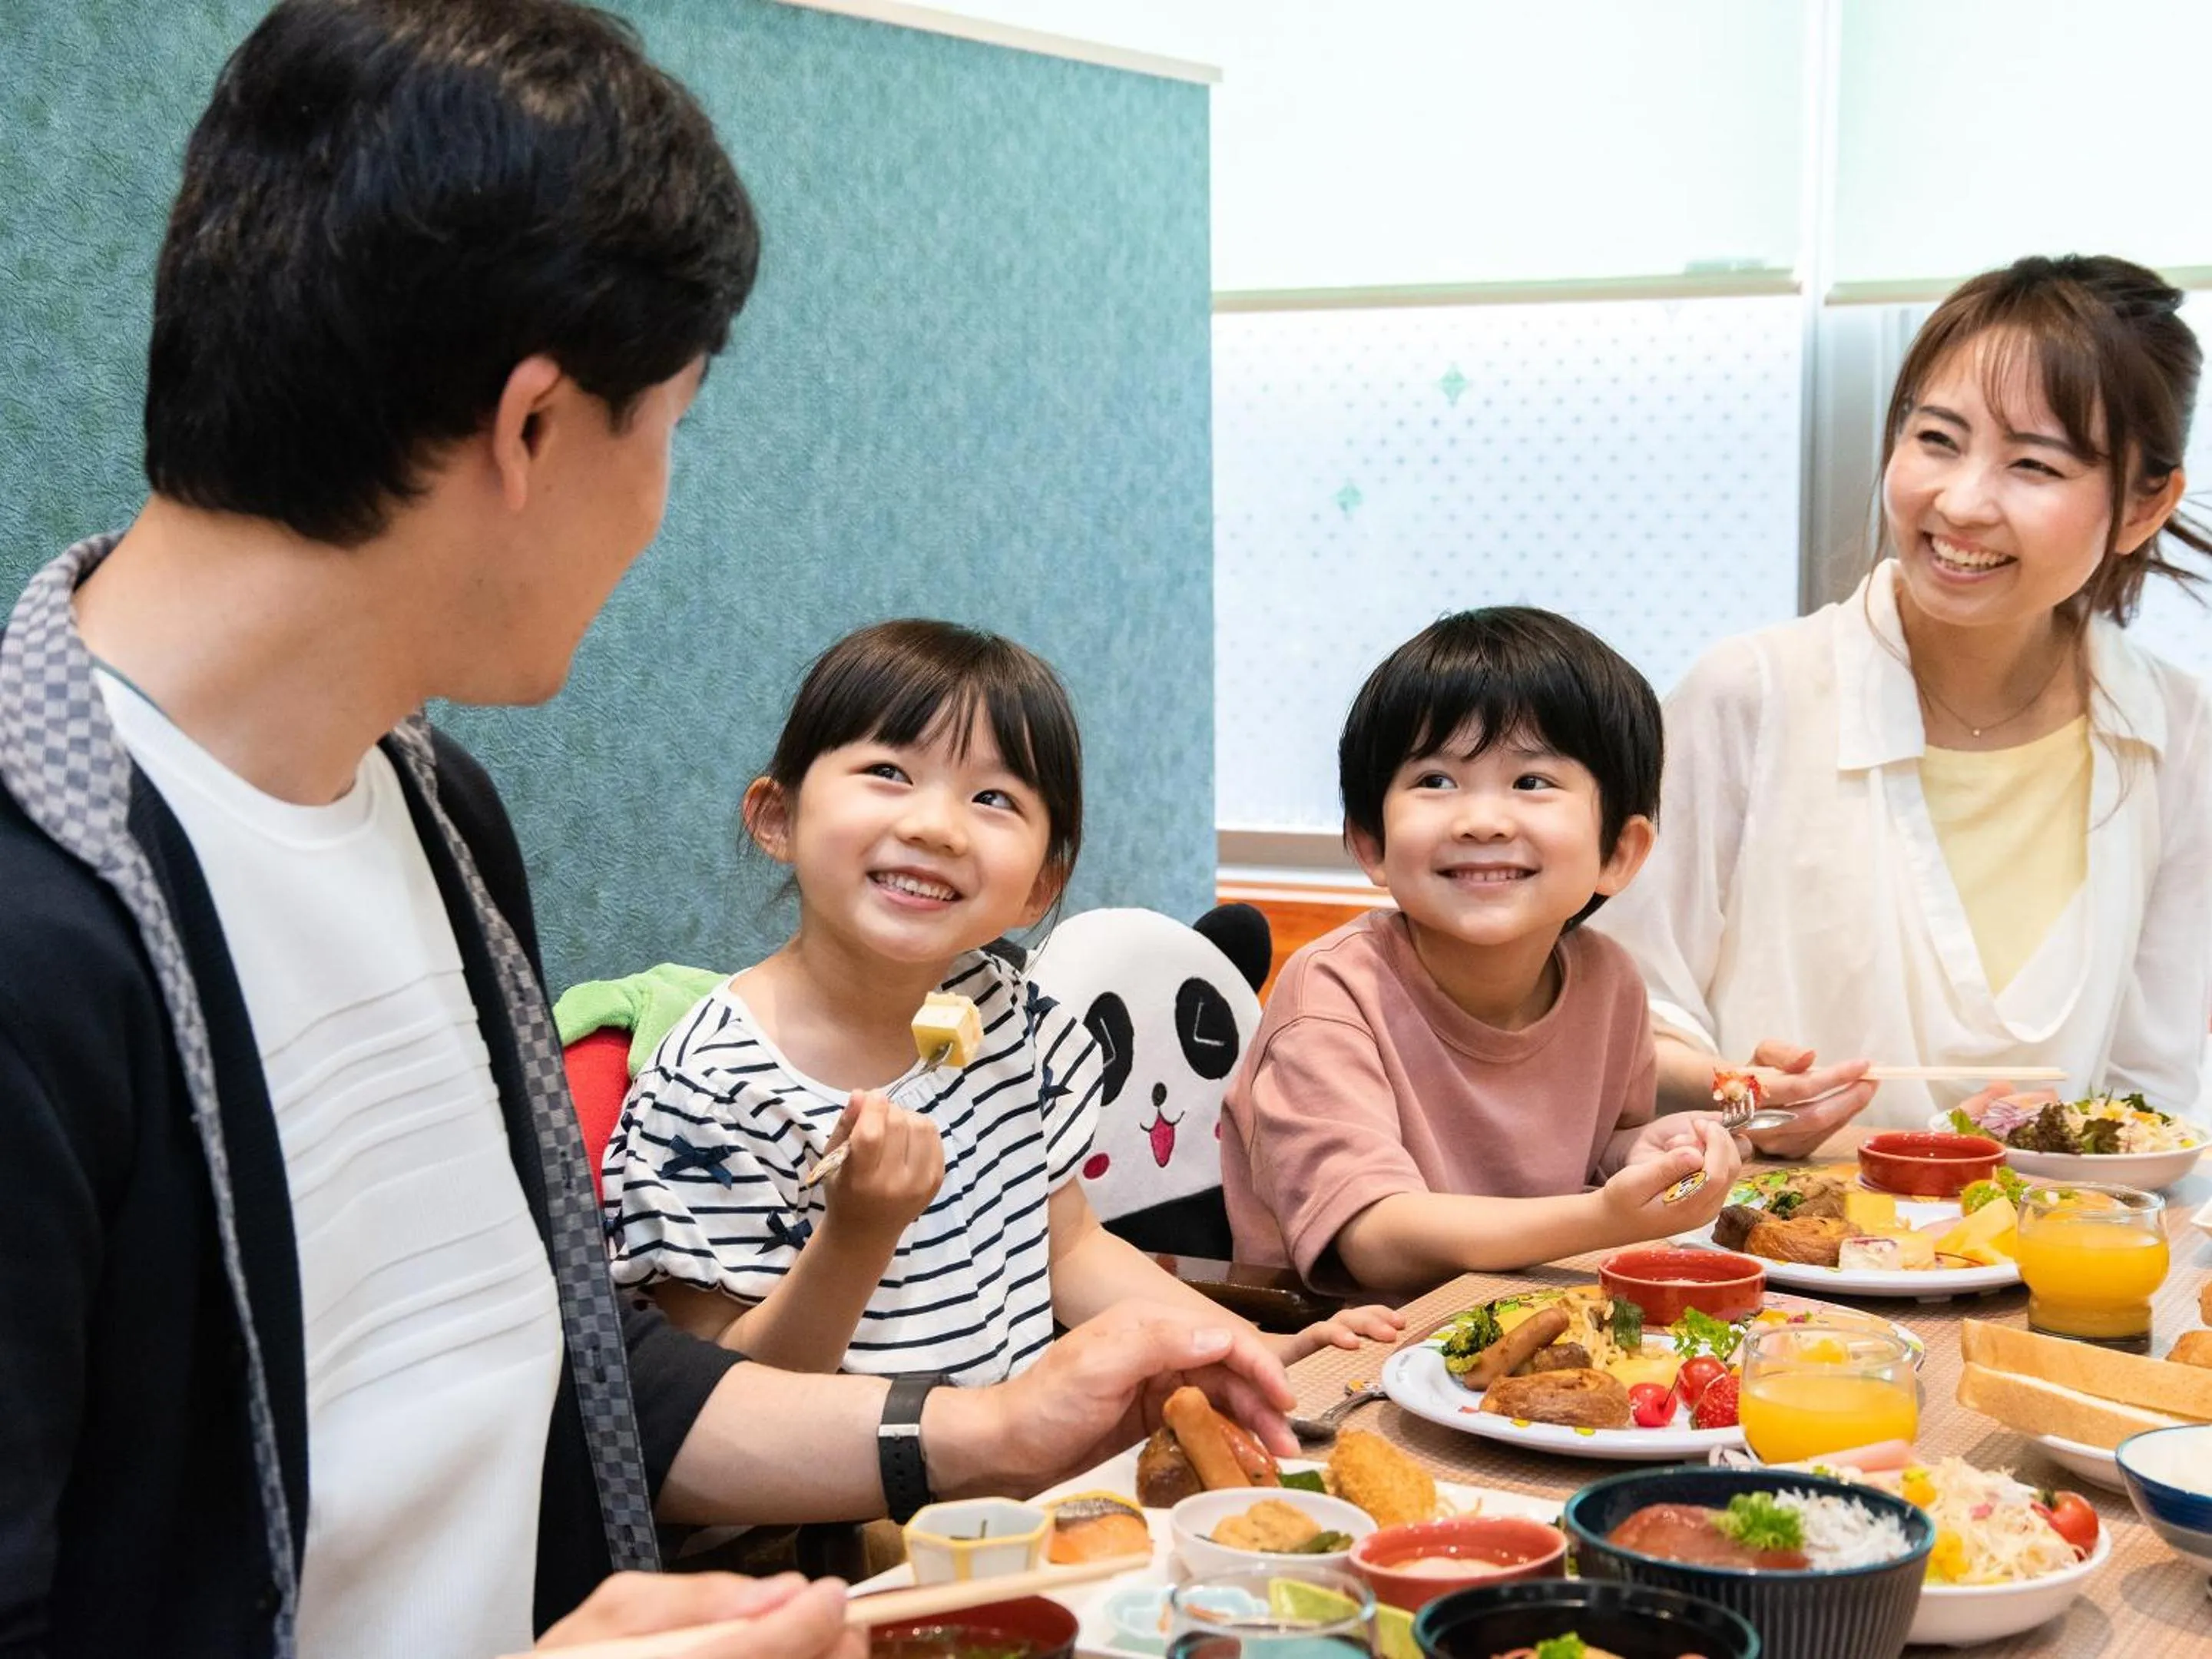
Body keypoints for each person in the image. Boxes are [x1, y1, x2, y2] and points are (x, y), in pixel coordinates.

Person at [0, 5, 1297, 1657]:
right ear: (535, 429)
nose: (660, 503)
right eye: (669, 427)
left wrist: (988, 1427)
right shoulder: (41, 931)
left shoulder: (439, 817)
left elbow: (583, 1373)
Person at [601, 619, 1401, 1379]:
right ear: (778, 817)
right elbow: (719, 1399)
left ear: (1039, 888)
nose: (938, 827)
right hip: (843, 1479)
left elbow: (1069, 1250)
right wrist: (856, 1235)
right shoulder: (710, 1091)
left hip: (1022, 1462)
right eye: (889, 773)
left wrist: (1253, 1345)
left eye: (993, 799)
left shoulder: (1010, 1018)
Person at [1595, 254, 2212, 1150]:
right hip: (1767, 1230)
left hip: (2051, 1235)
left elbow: (2148, 1097)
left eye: (2033, 464)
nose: (1960, 502)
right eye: (1937, 439)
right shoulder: (1749, 696)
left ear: (2144, 508)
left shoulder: (2182, 735)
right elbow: (1619, 1025)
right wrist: (1744, 1096)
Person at [1218, 608, 1742, 1293]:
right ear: (1371, 843)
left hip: (1530, 1322)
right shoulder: (1334, 992)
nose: (1483, 822)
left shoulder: (1609, 983)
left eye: (1532, 782)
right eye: (1436, 781)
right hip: (1347, 1336)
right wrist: (1603, 1218)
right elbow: (1376, 1238)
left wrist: (1642, 1155)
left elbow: (1591, 1151)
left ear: (1619, 851)